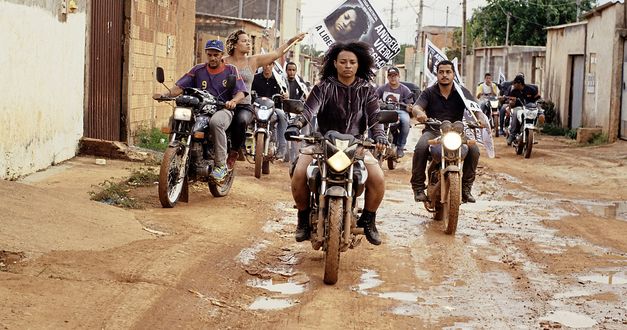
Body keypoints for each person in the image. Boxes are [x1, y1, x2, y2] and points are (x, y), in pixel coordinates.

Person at [284, 42, 388, 245]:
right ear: (335, 63)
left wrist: (380, 137)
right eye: (343, 62)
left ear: (359, 65)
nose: (347, 65)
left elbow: (375, 117)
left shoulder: (367, 90)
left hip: (356, 144)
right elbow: (308, 110)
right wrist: (295, 124)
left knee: (377, 177)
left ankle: (368, 220)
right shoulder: (323, 87)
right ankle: (303, 219)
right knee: (299, 172)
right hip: (322, 142)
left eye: (352, 62)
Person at [152, 39, 247, 181]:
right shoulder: (198, 69)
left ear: (222, 54)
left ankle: (221, 166)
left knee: (216, 123)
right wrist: (165, 95)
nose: (213, 58)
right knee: (176, 118)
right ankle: (173, 156)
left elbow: (241, 91)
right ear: (206, 54)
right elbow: (180, 87)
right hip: (199, 109)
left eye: (216, 55)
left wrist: (233, 101)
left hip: (222, 109)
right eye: (210, 55)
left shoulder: (231, 70)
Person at [223, 29, 306, 164]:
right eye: (244, 41)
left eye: (249, 41)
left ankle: (234, 152)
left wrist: (292, 41)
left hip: (244, 105)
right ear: (234, 44)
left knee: (242, 120)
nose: (249, 44)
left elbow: (276, 53)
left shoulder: (253, 61)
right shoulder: (223, 61)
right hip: (224, 103)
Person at [411, 60, 484, 204]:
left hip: (457, 132)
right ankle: (418, 187)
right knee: (420, 147)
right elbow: (416, 107)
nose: (444, 75)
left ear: (453, 74)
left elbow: (476, 109)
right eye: (441, 72)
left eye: (448, 72)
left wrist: (480, 119)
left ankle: (466, 189)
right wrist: (419, 113)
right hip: (433, 131)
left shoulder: (462, 92)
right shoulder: (428, 92)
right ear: (437, 74)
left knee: (474, 150)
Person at [251, 63, 289, 159]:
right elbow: (248, 91)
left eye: (269, 65)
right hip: (257, 108)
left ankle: (282, 148)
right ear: (262, 66)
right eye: (265, 64)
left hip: (273, 109)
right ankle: (241, 145)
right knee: (243, 115)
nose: (267, 67)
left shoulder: (279, 80)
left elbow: (285, 93)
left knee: (282, 114)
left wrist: (285, 96)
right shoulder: (255, 78)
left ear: (273, 65)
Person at [375, 67, 413, 158]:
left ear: (399, 76)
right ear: (388, 77)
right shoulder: (382, 88)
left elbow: (410, 104)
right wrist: (382, 104)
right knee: (373, 119)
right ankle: (372, 142)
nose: (393, 78)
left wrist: (409, 107)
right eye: (390, 76)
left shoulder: (405, 89)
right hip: (385, 110)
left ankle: (400, 147)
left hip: (400, 111)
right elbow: (374, 99)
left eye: (395, 75)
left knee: (406, 122)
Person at [505, 75, 542, 145]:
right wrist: (512, 102)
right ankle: (512, 135)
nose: (513, 85)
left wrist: (540, 101)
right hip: (519, 108)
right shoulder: (514, 91)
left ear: (519, 83)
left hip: (530, 108)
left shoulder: (531, 89)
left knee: (540, 113)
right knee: (515, 113)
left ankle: (535, 128)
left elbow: (538, 98)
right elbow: (511, 103)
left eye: (514, 83)